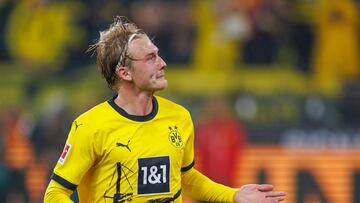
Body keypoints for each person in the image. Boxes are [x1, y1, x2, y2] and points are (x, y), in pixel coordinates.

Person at [44, 16, 286, 203]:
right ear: (124, 73)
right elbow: (55, 192)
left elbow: (185, 177)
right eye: (150, 58)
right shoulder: (90, 126)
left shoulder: (179, 117)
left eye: (158, 55)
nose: (162, 63)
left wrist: (233, 196)